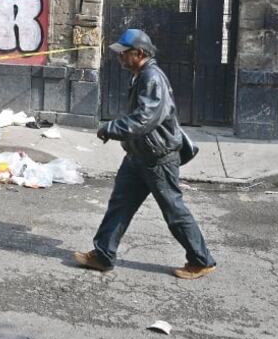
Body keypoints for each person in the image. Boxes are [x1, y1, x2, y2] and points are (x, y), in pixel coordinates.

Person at [73, 28, 217, 280]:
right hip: (138, 155)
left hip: (157, 158)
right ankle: (103, 255)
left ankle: (201, 259)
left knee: (173, 209)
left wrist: (110, 128)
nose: (119, 58)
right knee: (120, 204)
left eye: (123, 53)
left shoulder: (151, 77)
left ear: (139, 53)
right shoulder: (141, 74)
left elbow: (144, 119)